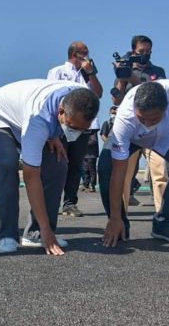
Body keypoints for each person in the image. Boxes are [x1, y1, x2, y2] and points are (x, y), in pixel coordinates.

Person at [0, 79, 100, 254]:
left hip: (25, 115)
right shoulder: (39, 120)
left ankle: (35, 235)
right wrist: (46, 227)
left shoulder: (83, 96)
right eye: (72, 127)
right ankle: (8, 235)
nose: (75, 133)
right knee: (8, 163)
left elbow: (65, 116)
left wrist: (54, 134)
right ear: (61, 111)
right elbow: (31, 176)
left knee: (59, 164)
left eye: (82, 129)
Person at [99, 80, 169, 247]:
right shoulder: (125, 119)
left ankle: (163, 224)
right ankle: (118, 224)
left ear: (167, 108)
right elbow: (118, 173)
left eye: (153, 119)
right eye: (141, 118)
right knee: (105, 165)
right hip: (132, 137)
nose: (146, 125)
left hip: (165, 134)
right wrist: (115, 217)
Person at [110, 35, 167, 212]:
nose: (145, 55)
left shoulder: (158, 71)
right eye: (141, 52)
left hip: (153, 127)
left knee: (160, 172)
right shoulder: (125, 68)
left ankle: (164, 215)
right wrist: (122, 78)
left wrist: (135, 80)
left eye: (148, 52)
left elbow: (158, 95)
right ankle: (120, 215)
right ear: (133, 50)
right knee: (124, 174)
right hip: (130, 128)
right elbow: (116, 100)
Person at [46, 42, 103, 217]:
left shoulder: (88, 75)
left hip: (84, 126)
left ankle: (70, 203)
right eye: (84, 53)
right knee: (59, 162)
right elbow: (50, 95)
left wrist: (91, 73)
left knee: (76, 164)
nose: (87, 56)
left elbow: (98, 93)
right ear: (74, 54)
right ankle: (50, 201)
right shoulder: (57, 71)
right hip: (64, 125)